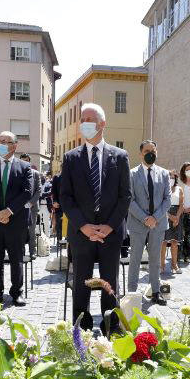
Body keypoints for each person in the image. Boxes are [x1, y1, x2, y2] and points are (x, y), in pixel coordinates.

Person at [59, 103, 131, 332]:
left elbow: (125, 195)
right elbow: (66, 197)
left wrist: (109, 226)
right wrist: (84, 226)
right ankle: (82, 328)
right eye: (82, 119)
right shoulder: (71, 158)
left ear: (102, 123)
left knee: (110, 282)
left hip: (111, 232)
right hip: (82, 234)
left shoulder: (120, 156)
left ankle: (111, 326)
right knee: (82, 282)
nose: (84, 123)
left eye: (89, 118)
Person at [0, 132, 33, 306]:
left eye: (5, 142)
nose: (1, 144)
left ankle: (17, 292)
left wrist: (8, 211)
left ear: (15, 145)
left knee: (16, 258)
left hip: (16, 221)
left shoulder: (25, 167)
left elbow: (27, 192)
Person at [126, 140, 171, 305]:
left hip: (158, 224)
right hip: (138, 223)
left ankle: (156, 291)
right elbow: (129, 200)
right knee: (135, 259)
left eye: (153, 150)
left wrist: (155, 218)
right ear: (140, 153)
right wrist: (145, 218)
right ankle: (131, 293)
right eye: (146, 151)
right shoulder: (131, 174)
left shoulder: (164, 174)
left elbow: (167, 199)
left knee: (155, 260)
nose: (150, 153)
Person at [18, 153, 43, 258]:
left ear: (29, 161)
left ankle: (32, 251)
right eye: (22, 160)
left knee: (31, 230)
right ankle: (21, 252)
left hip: (32, 207)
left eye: (26, 160)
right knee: (20, 230)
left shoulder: (35, 173)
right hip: (19, 207)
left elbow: (39, 190)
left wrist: (31, 202)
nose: (24, 162)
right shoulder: (17, 173)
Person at [161, 171, 183, 275]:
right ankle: (162, 265)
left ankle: (174, 264)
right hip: (165, 216)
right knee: (163, 242)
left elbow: (181, 204)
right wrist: (169, 216)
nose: (171, 179)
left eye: (173, 177)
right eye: (169, 177)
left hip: (177, 216)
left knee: (174, 242)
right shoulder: (162, 189)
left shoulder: (179, 189)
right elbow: (160, 205)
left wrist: (177, 218)